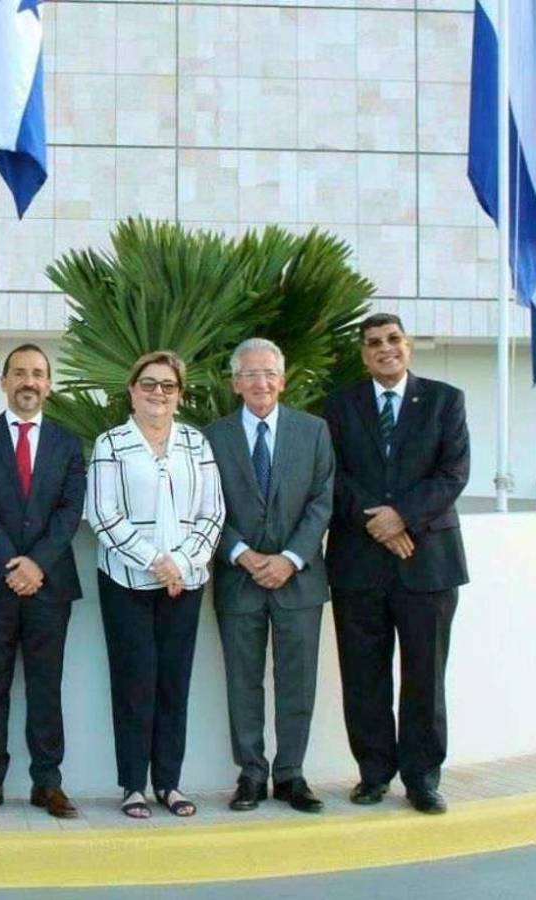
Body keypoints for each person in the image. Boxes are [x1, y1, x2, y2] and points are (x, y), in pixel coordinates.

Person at [323, 314, 469, 815]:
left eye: (393, 339)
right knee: (363, 676)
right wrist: (379, 522)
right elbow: (334, 476)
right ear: (363, 353)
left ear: (407, 345)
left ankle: (423, 778)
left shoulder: (446, 400)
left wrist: (402, 517)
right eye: (373, 343)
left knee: (425, 676)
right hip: (358, 563)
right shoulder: (340, 406)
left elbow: (453, 474)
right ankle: (373, 773)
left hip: (428, 563)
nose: (384, 348)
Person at [86, 351, 225, 819]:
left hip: (185, 583)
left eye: (168, 385)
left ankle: (169, 782)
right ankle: (133, 785)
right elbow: (103, 515)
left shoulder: (196, 443)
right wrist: (155, 562)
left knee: (173, 683)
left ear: (180, 395)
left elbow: (213, 511)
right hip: (126, 581)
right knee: (134, 682)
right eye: (149, 383)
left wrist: (182, 563)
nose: (158, 392)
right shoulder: (111, 443)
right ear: (132, 390)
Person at [204, 338, 334, 815]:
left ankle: (292, 774)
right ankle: (252, 773)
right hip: (239, 579)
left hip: (299, 581)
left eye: (270, 373)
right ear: (236, 383)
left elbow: (323, 500)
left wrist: (291, 558)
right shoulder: (213, 437)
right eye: (251, 374)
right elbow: (206, 506)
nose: (261, 382)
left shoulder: (313, 431)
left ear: (283, 379)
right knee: (243, 681)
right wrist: (239, 553)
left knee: (297, 681)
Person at [0, 344, 86, 820]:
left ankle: (47, 782)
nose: (28, 381)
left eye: (37, 373)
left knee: (46, 686)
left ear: (49, 384)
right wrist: (14, 565)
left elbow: (69, 512)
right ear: (4, 382)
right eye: (19, 373)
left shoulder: (69, 443)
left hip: (50, 585)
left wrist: (38, 564)